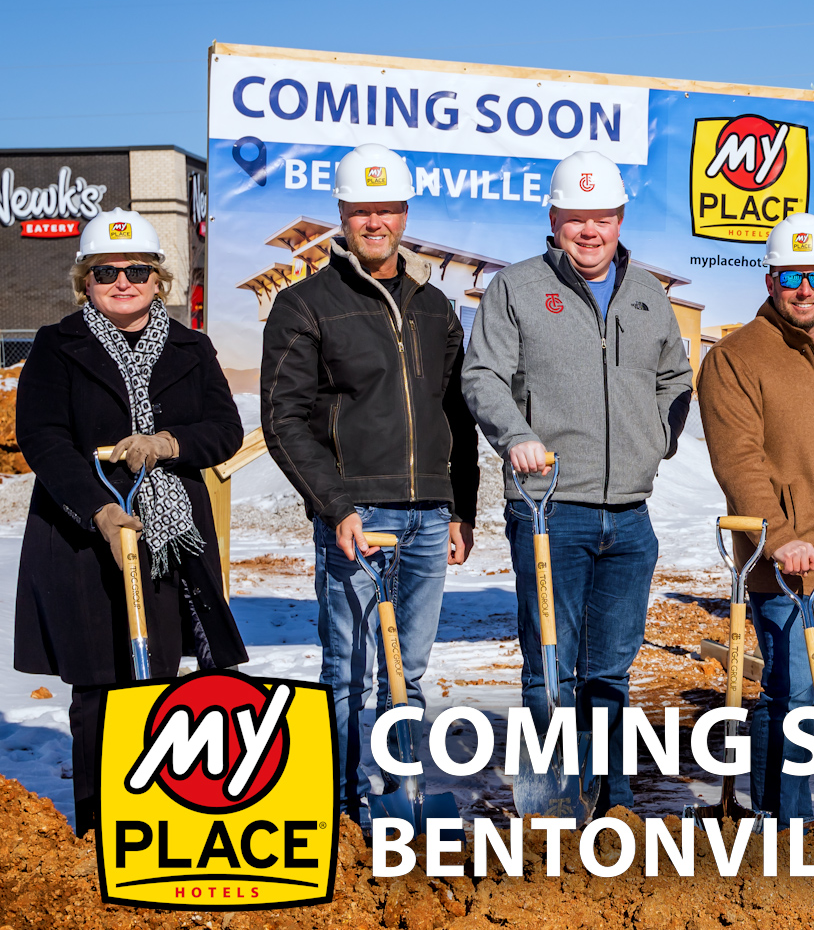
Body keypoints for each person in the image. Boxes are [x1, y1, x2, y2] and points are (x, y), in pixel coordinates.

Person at [464, 151, 693, 815]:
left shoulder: (648, 293)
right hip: (548, 510)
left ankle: (609, 800)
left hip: (630, 514)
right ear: (554, 219)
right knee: (551, 666)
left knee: (610, 670)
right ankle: (549, 808)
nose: (589, 231)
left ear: (620, 219)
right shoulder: (517, 288)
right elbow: (483, 377)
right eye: (576, 218)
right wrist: (518, 438)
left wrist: (656, 442)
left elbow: (675, 380)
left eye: (603, 218)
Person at [262, 144, 479, 822]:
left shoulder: (435, 307)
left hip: (426, 516)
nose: (375, 221)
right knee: (347, 675)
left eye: (387, 209)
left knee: (406, 676)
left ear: (404, 213)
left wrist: (459, 507)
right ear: (343, 215)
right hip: (358, 518)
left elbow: (457, 414)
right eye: (362, 210)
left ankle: (395, 811)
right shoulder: (306, 304)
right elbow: (282, 417)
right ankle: (336, 814)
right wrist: (334, 505)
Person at [14, 209, 246, 837]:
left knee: (161, 677)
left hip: (169, 540)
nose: (123, 281)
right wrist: (102, 508)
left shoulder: (192, 348)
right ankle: (98, 824)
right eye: (106, 271)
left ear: (158, 279)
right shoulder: (57, 346)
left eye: (137, 269)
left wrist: (168, 443)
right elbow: (41, 437)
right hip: (82, 535)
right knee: (98, 685)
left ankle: (159, 815)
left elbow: (226, 430)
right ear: (84, 281)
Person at [698, 212, 814, 821]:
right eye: (792, 276)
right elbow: (740, 462)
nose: (806, 289)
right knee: (793, 699)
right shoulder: (736, 357)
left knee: (807, 695)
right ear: (771, 278)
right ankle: (786, 826)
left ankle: (787, 817)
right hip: (788, 563)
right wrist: (778, 538)